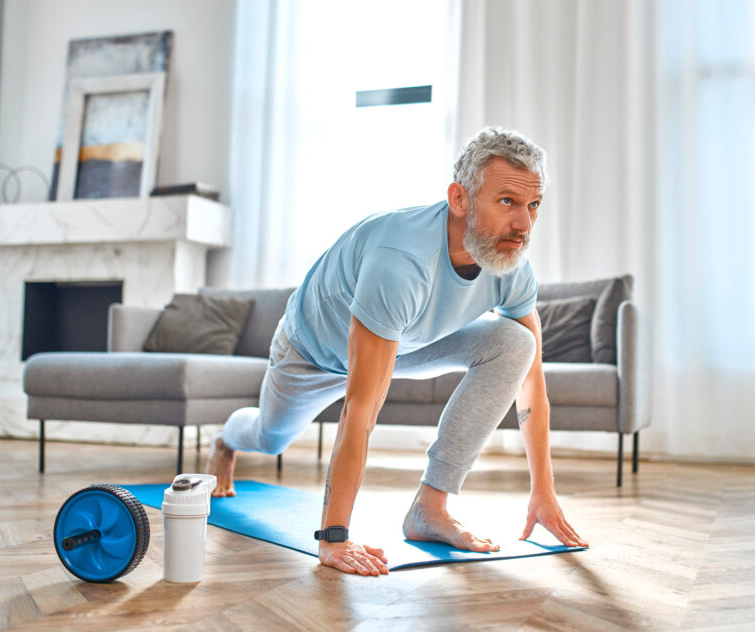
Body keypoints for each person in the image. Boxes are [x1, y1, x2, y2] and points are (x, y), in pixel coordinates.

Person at [206, 127, 588, 576]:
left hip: (406, 340)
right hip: (310, 354)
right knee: (269, 439)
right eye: (507, 202)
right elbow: (360, 408)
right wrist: (333, 537)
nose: (523, 224)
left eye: (533, 205)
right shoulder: (401, 261)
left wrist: (543, 489)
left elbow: (532, 385)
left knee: (516, 343)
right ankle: (224, 441)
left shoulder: (511, 267)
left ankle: (431, 507)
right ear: (460, 198)